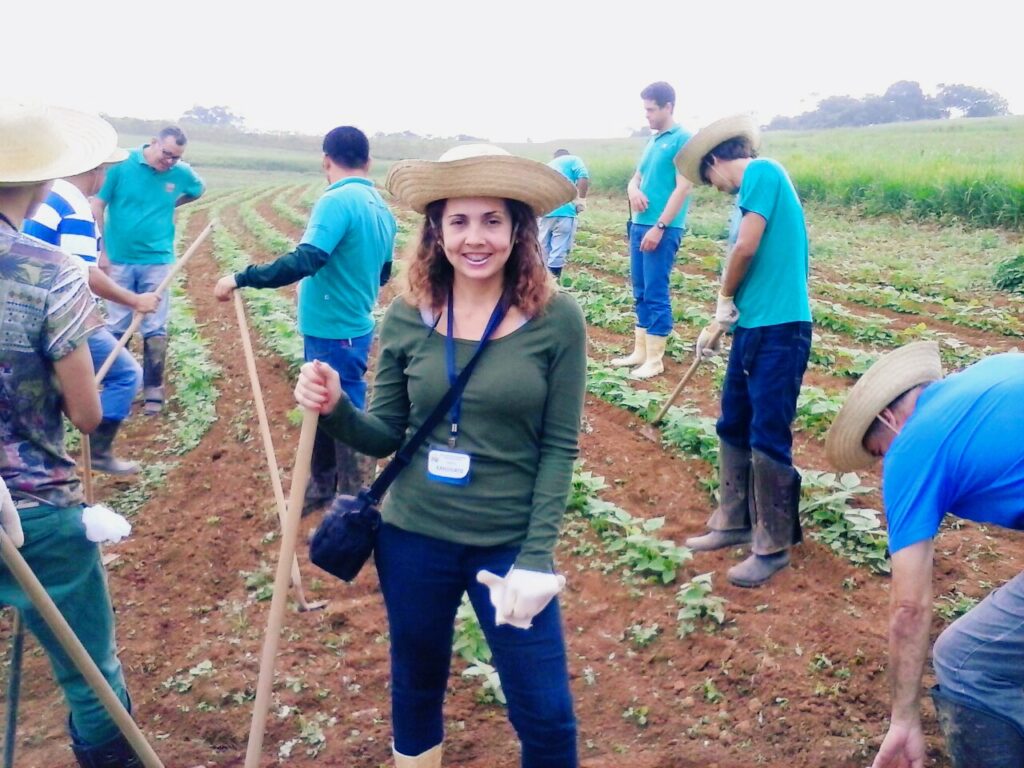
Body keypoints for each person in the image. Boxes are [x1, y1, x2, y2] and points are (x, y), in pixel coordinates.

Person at [294, 144, 586, 768]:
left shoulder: (556, 320)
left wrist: (535, 558)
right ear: (436, 230)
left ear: (517, 231)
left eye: (491, 221)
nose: (474, 238)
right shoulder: (407, 315)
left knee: (546, 713)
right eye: (458, 221)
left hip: (508, 544)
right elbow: (384, 435)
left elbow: (560, 446)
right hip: (414, 538)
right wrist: (335, 407)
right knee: (416, 683)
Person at [0, 101, 144, 767]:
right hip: (32, 512)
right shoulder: (48, 269)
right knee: (92, 678)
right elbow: (86, 415)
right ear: (41, 184)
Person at [825, 342, 1024, 768]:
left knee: (966, 659)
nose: (883, 465)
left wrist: (903, 719)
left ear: (887, 419)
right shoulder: (995, 369)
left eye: (877, 452)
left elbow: (910, 607)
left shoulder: (912, 447)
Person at [214, 126, 396, 515]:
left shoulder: (337, 201)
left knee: (342, 410)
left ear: (326, 160)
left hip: (335, 330)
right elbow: (383, 274)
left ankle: (354, 503)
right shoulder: (381, 208)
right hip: (352, 326)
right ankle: (325, 484)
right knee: (325, 405)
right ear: (368, 162)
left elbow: (306, 260)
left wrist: (241, 277)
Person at [676, 114, 812, 588]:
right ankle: (733, 520)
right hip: (752, 327)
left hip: (782, 328)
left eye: (706, 176)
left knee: (768, 431)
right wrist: (727, 318)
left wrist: (721, 302)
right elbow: (747, 254)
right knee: (733, 421)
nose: (711, 186)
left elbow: (746, 250)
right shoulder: (746, 198)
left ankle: (772, 545)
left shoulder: (762, 172)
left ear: (716, 160)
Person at [24, 152, 160, 474]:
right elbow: (83, 273)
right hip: (59, 317)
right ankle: (97, 453)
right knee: (125, 374)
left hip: (27, 312)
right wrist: (135, 300)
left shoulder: (48, 194)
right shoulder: (74, 203)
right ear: (96, 173)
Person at [93, 125, 205, 416]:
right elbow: (98, 204)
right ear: (153, 143)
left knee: (155, 325)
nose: (169, 162)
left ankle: (153, 387)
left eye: (175, 158)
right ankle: (122, 385)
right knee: (118, 324)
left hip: (158, 258)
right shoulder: (122, 165)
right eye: (166, 154)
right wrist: (102, 250)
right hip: (118, 258)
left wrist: (171, 203)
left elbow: (197, 190)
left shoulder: (180, 173)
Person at [610, 81, 693, 380]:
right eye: (645, 108)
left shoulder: (684, 139)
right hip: (638, 224)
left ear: (668, 106)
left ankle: (655, 359)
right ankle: (640, 352)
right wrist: (633, 190)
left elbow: (684, 187)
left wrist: (660, 226)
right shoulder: (654, 140)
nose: (646, 115)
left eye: (651, 109)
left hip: (661, 228)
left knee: (656, 291)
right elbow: (636, 178)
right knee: (640, 290)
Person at [538, 148, 589, 278]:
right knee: (559, 248)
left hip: (545, 210)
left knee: (543, 248)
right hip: (565, 210)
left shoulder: (547, 166)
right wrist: (581, 200)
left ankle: (541, 280)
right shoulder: (573, 159)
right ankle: (554, 283)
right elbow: (583, 176)